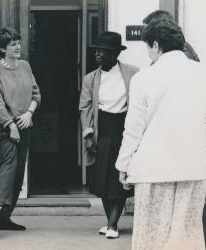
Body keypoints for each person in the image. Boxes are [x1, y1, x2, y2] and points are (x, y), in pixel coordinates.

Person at [116, 18, 206, 250]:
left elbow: (134, 129)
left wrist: (123, 165)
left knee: (151, 236)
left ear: (156, 45)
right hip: (194, 166)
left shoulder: (143, 78)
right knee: (187, 235)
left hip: (154, 167)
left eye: (148, 48)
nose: (149, 54)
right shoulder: (205, 74)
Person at [79, 31, 139, 239]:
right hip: (102, 130)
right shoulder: (91, 79)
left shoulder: (132, 73)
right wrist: (88, 135)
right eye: (96, 50)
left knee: (119, 179)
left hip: (123, 129)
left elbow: (140, 103)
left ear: (114, 53)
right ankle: (110, 222)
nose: (97, 54)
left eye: (102, 51)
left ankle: (113, 224)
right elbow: (84, 107)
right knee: (102, 179)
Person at [0, 27, 41, 240]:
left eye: (18, 42)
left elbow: (36, 93)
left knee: (18, 171)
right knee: (9, 166)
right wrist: (11, 125)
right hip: (6, 127)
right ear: (2, 48)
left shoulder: (25, 66)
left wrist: (29, 114)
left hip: (25, 123)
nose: (17, 47)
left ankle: (5, 217)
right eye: (12, 44)